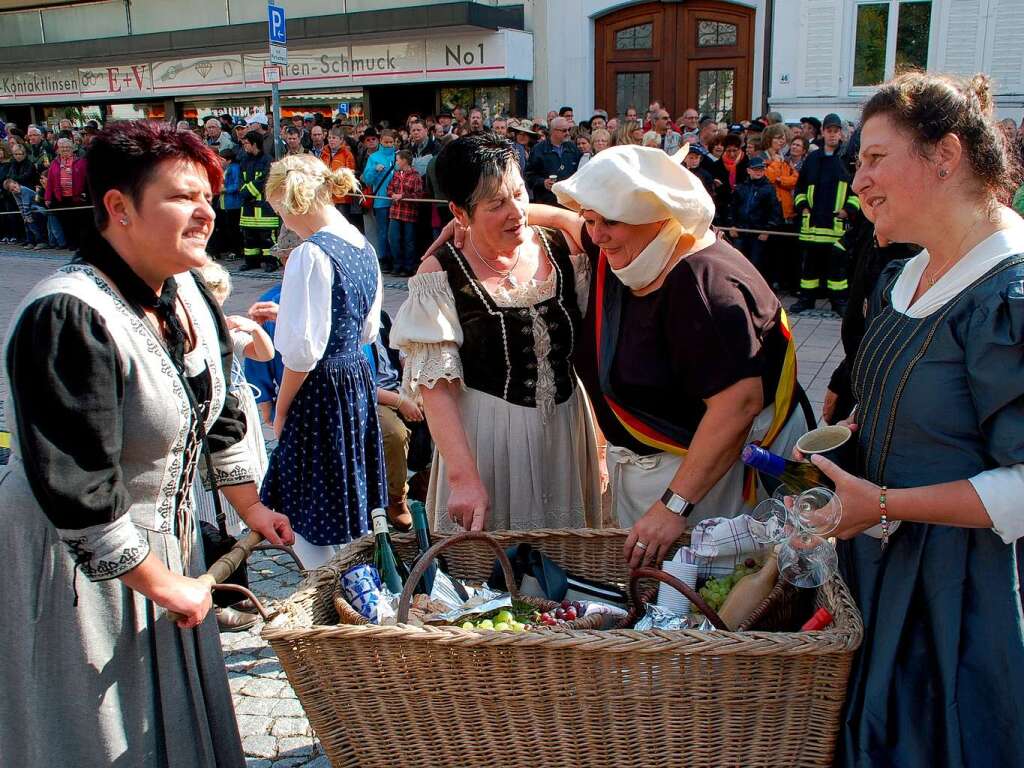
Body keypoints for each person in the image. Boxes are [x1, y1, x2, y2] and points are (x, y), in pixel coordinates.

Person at [0, 119, 293, 767]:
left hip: (168, 555)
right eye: (181, 197)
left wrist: (251, 509)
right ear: (118, 208)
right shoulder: (68, 313)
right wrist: (162, 583)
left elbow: (223, 413)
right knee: (96, 738)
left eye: (208, 199)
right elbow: (77, 488)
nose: (204, 214)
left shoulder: (186, 291)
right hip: (75, 571)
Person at [800, 71, 1024, 768]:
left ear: (945, 155)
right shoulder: (905, 273)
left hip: (962, 594)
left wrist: (888, 502)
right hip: (879, 563)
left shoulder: (1008, 295)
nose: (856, 177)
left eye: (873, 157)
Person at [525, 144, 810, 556]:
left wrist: (673, 506)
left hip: (707, 484)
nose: (597, 234)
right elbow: (567, 221)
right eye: (592, 220)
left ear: (657, 217)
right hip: (659, 480)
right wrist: (491, 220)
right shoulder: (637, 248)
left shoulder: (704, 287)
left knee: (701, 601)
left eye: (611, 221)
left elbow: (737, 406)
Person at [391, 133, 601, 533]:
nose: (516, 212)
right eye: (496, 204)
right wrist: (463, 478)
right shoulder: (439, 274)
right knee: (494, 574)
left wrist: (554, 215)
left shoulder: (562, 246)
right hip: (486, 442)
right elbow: (437, 388)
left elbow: (591, 230)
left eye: (520, 194)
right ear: (460, 212)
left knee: (568, 567)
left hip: (567, 434)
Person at [259, 153, 386, 570]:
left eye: (278, 210)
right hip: (355, 377)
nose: (282, 223)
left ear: (292, 200)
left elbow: (302, 354)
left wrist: (281, 409)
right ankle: (354, 582)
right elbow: (365, 328)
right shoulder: (361, 243)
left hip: (320, 387)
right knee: (346, 489)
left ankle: (328, 589)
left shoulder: (309, 254)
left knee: (305, 499)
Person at [790, 113, 860, 315]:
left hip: (836, 224)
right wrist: (803, 206)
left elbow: (856, 190)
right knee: (809, 266)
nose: (832, 135)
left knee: (837, 266)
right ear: (822, 132)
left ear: (841, 134)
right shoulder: (812, 158)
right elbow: (800, 187)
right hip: (812, 224)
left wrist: (848, 210)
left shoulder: (847, 160)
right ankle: (806, 299)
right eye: (828, 131)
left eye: (835, 131)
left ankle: (838, 301)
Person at [728, 155, 783, 277]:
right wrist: (732, 225)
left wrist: (767, 230)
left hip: (758, 233)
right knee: (738, 263)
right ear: (748, 170)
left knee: (756, 265)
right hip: (741, 231)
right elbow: (733, 208)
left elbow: (775, 211)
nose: (759, 172)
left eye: (761, 169)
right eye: (756, 169)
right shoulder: (741, 188)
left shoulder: (769, 189)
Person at [238, 129, 280, 272]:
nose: (244, 146)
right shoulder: (244, 160)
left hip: (264, 208)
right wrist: (243, 192)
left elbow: (264, 180)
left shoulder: (267, 160)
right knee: (249, 238)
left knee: (266, 237)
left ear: (254, 144)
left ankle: (271, 262)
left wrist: (246, 192)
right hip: (249, 208)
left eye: (246, 143)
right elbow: (240, 180)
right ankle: (251, 262)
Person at [362, 128, 397, 272]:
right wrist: (374, 170)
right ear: (381, 141)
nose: (388, 144)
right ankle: (384, 259)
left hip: (397, 201)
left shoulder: (398, 156)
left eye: (390, 142)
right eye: (385, 141)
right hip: (381, 200)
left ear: (395, 142)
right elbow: (367, 179)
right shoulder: (374, 157)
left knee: (395, 233)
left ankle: (396, 259)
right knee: (383, 231)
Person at [44, 136, 89, 250]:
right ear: (58, 150)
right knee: (66, 222)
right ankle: (71, 243)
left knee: (78, 222)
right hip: (61, 198)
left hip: (77, 198)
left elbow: (87, 179)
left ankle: (81, 244)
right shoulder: (54, 163)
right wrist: (47, 198)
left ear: (72, 148)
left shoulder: (81, 162)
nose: (64, 150)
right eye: (62, 148)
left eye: (67, 147)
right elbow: (49, 182)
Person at [385, 149, 423, 277]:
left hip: (408, 213)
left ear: (404, 160)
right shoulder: (396, 175)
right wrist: (393, 194)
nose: (396, 162)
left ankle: (408, 267)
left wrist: (403, 196)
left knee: (409, 241)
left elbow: (418, 195)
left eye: (398, 160)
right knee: (393, 239)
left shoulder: (415, 176)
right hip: (395, 212)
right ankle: (397, 265)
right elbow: (389, 189)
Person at [525, 116, 581, 205]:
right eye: (564, 130)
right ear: (553, 131)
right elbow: (529, 176)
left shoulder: (573, 148)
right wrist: (543, 182)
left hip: (569, 202)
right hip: (547, 202)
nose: (567, 133)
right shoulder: (538, 150)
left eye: (568, 130)